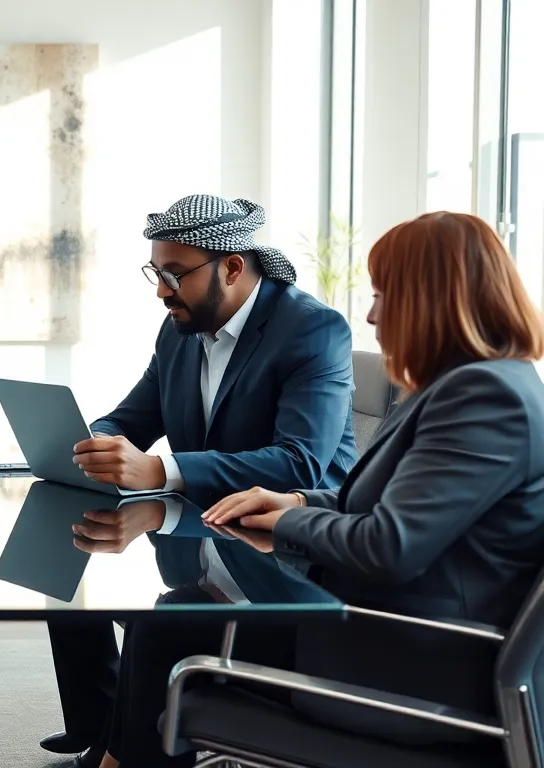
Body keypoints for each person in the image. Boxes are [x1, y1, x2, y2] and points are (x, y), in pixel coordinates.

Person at [105, 211, 544, 767]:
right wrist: (295, 503)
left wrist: (287, 523)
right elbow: (388, 510)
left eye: (386, 295)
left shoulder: (484, 398)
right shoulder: (473, 384)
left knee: (171, 632)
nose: (372, 313)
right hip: (398, 639)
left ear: (437, 298)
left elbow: (390, 545)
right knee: (175, 618)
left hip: (420, 672)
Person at [44, 195, 357, 766]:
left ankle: (123, 753)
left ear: (233, 267)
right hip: (201, 539)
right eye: (156, 273)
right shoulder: (180, 331)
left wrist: (163, 469)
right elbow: (131, 418)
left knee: (164, 623)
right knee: (66, 584)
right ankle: (102, 732)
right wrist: (95, 441)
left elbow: (299, 463)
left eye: (175, 274)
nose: (162, 290)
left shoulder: (312, 331)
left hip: (283, 560)